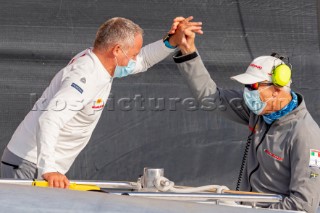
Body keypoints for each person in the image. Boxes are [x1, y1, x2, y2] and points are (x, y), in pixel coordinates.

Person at [0, 17, 202, 188]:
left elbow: (144, 61)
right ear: (116, 50)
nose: (135, 59)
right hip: (27, 167)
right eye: (132, 54)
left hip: (36, 165)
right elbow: (50, 119)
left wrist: (171, 42)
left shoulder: (102, 64)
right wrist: (49, 169)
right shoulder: (86, 76)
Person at [171, 18, 320, 212]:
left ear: (277, 89)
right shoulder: (259, 111)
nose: (247, 93)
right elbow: (211, 98)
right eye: (246, 86)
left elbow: (303, 205)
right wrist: (187, 51)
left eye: (253, 86)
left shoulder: (306, 135)